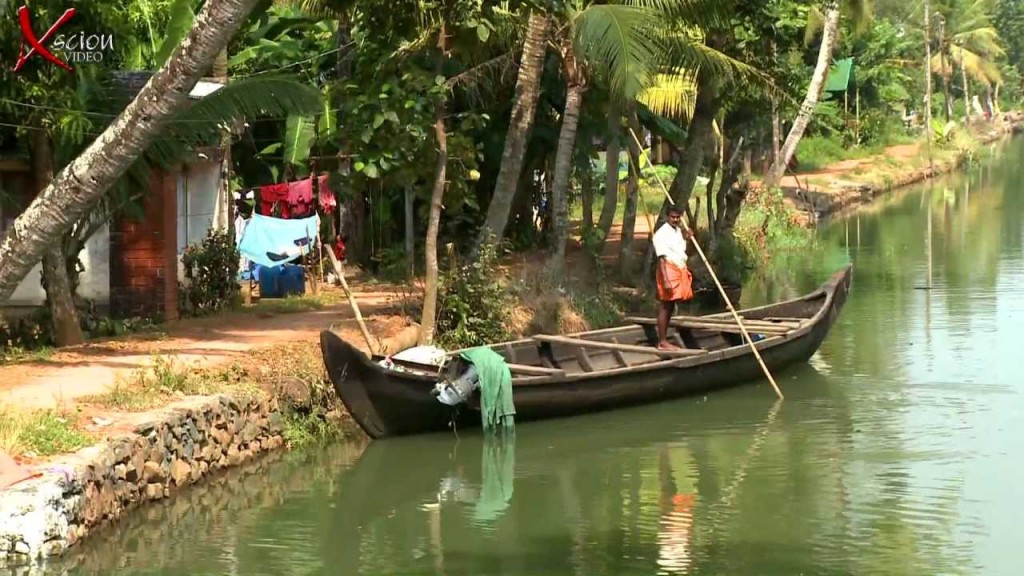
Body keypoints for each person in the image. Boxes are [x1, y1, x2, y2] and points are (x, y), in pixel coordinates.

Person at [652, 206, 694, 351]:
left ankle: (663, 341)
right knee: (665, 305)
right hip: (668, 270)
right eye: (672, 217)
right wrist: (665, 280)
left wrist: (687, 239)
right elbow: (662, 259)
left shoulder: (677, 232)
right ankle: (662, 342)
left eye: (677, 217)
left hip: (678, 268)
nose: (675, 220)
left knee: (670, 305)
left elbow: (681, 251)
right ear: (667, 217)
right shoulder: (661, 233)